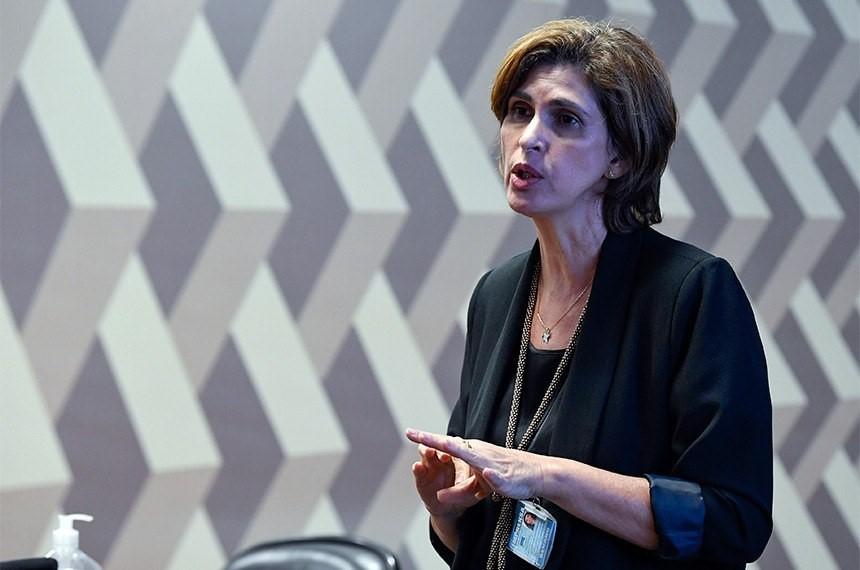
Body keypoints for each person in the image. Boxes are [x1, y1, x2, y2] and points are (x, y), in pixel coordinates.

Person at [405, 18, 772, 569]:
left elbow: (731, 521)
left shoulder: (691, 292)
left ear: (620, 157)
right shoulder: (496, 294)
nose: (529, 138)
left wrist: (546, 476)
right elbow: (484, 535)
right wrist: (446, 512)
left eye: (566, 119)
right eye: (519, 111)